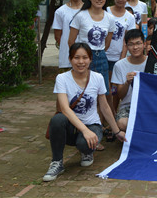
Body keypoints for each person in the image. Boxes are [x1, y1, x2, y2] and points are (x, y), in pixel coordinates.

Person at [43, 43, 125, 182]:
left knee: (84, 145)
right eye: (76, 57)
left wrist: (117, 131)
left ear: (90, 59)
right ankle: (57, 162)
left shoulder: (97, 78)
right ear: (70, 59)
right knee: (57, 120)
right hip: (71, 126)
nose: (81, 62)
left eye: (85, 58)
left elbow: (104, 107)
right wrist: (84, 130)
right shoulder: (62, 78)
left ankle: (87, 152)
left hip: (92, 125)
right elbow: (64, 108)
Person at [68, 0, 116, 96]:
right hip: (83, 58)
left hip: (101, 58)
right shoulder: (80, 16)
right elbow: (71, 41)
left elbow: (107, 43)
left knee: (102, 92)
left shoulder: (110, 18)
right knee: (83, 91)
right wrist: (79, 57)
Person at [110, 30, 147, 133]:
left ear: (144, 44)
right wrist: (127, 83)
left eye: (138, 43)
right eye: (131, 44)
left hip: (147, 106)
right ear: (126, 46)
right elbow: (120, 95)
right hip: (128, 107)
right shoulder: (119, 65)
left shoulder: (152, 63)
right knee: (122, 123)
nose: (135, 47)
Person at [52, 0, 86, 71]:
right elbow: (58, 36)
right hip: (67, 57)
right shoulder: (60, 11)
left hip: (86, 57)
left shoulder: (89, 10)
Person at [106, 0, 136, 74]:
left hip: (118, 58)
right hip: (102, 56)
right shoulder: (105, 11)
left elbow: (127, 41)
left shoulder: (130, 17)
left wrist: (121, 60)